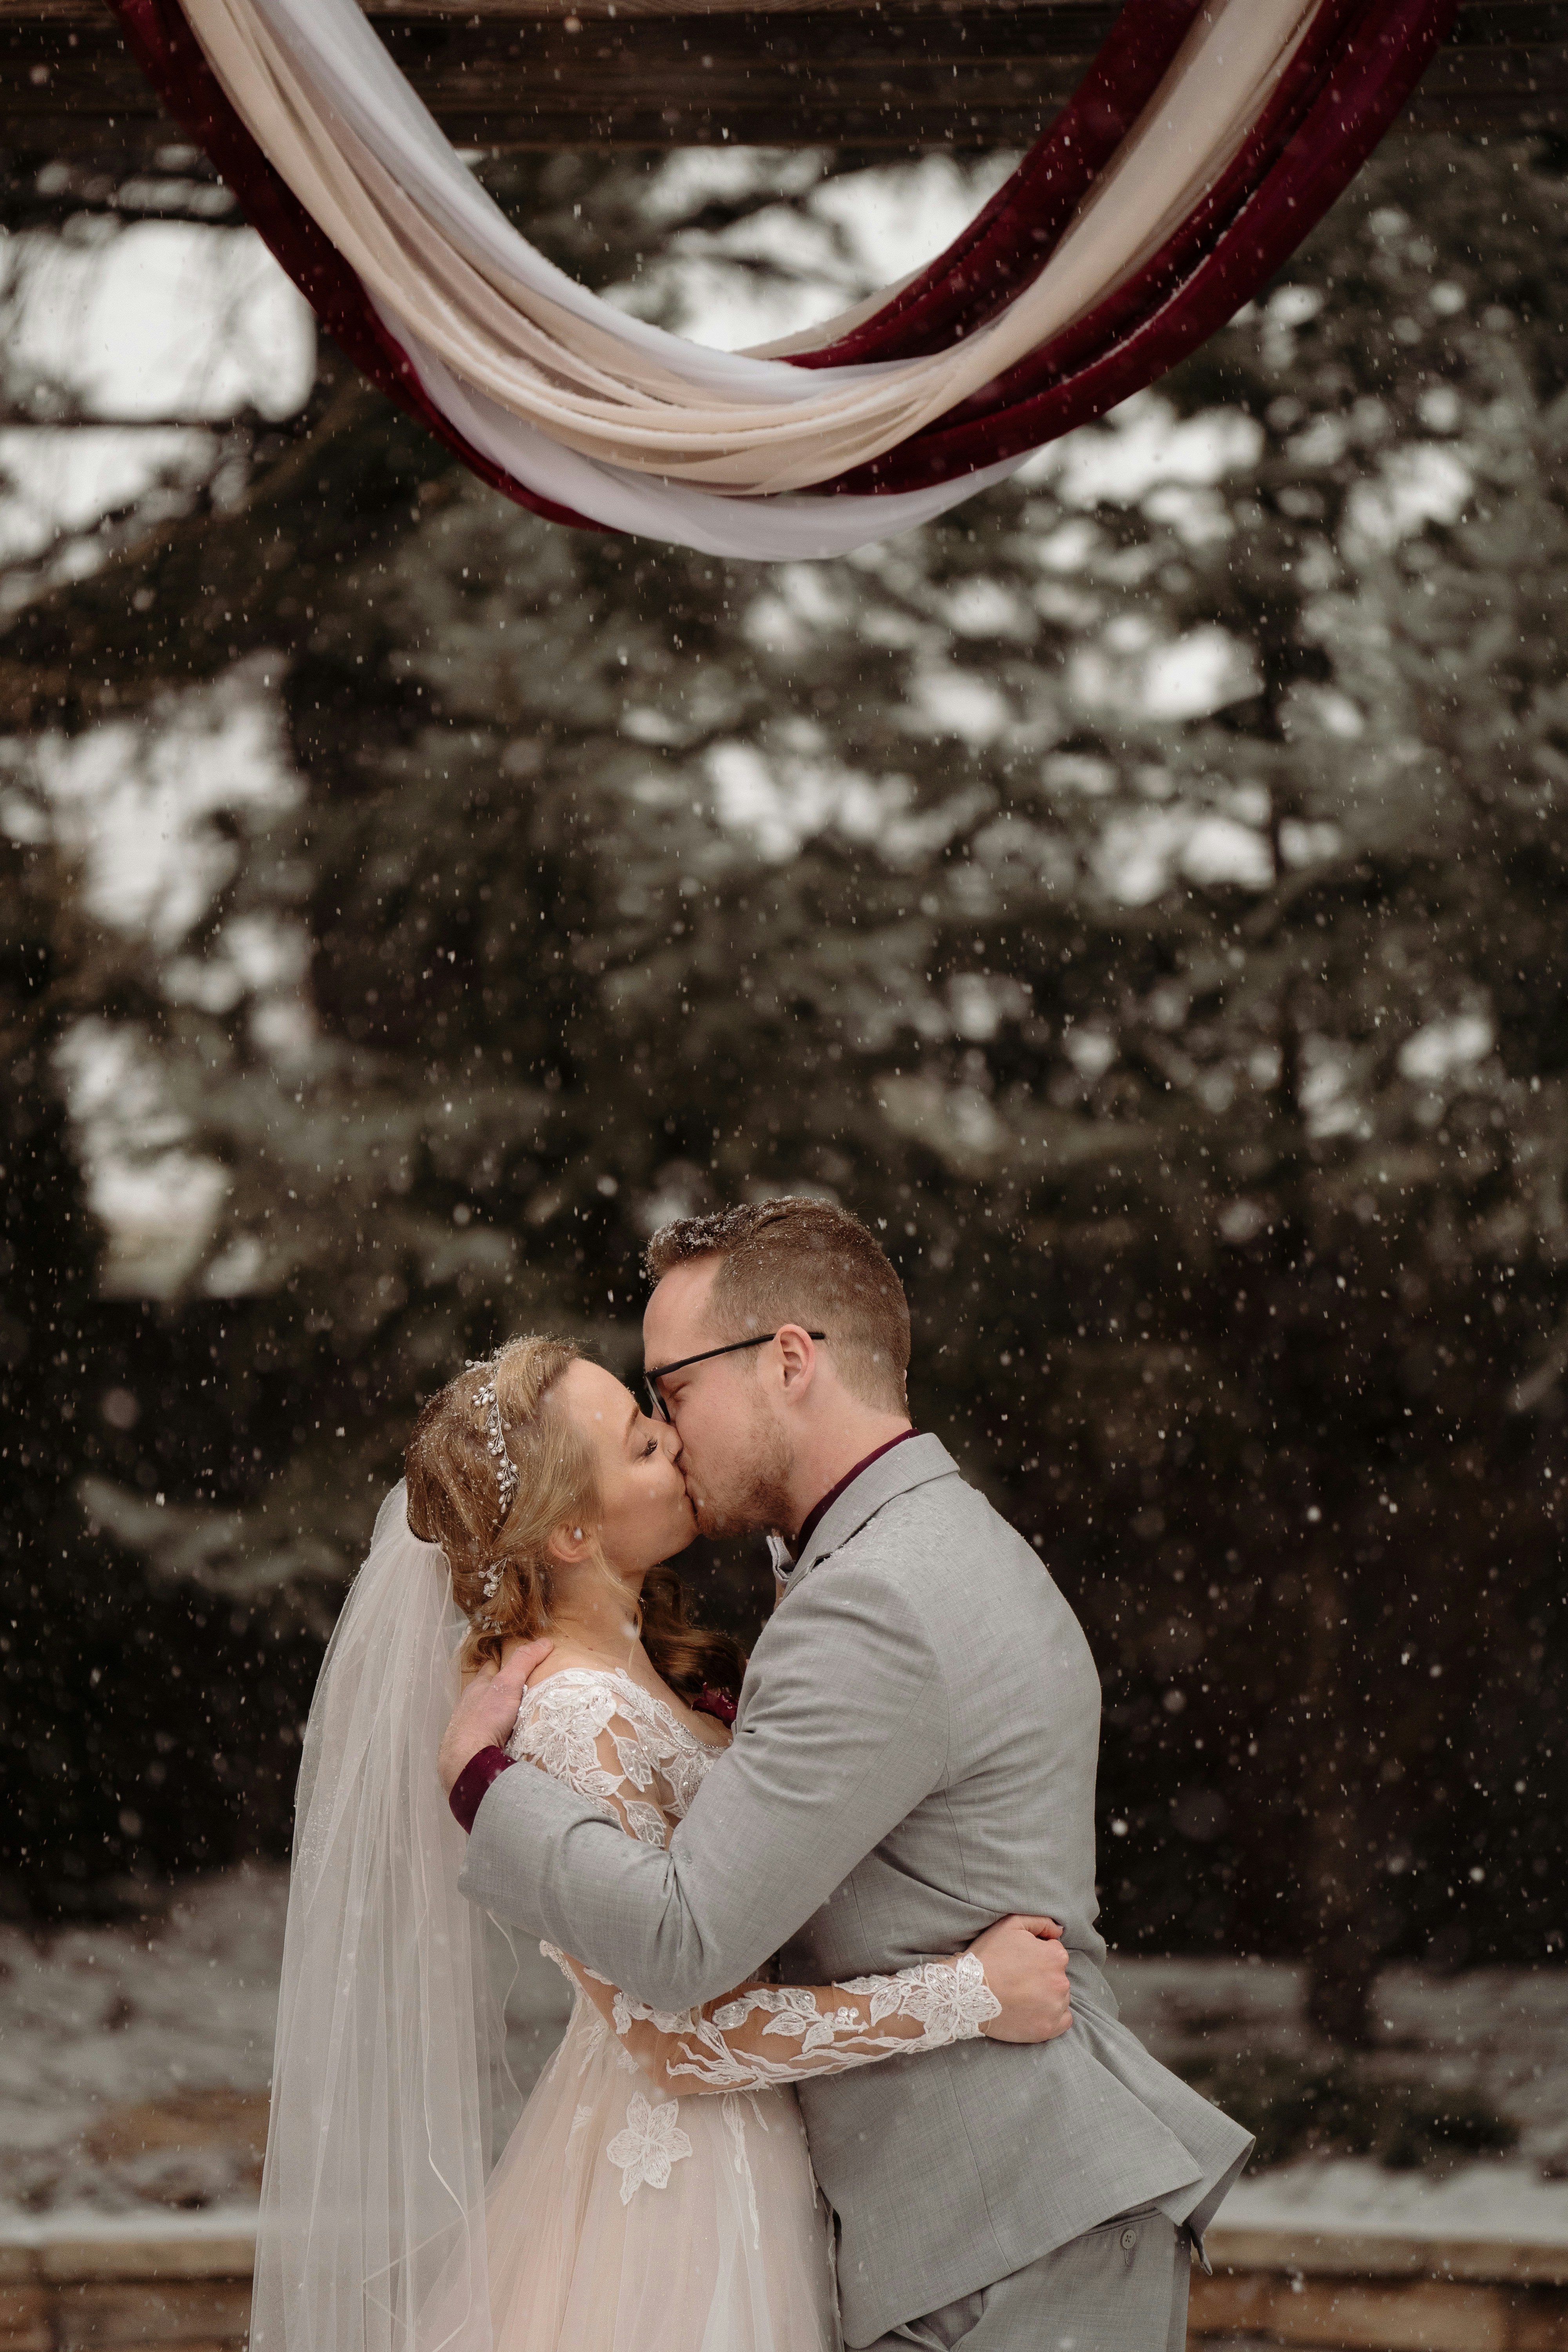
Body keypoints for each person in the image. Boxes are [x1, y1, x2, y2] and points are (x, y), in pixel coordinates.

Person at [443, 1198, 1254, 2352]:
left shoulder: (874, 1597)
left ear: (787, 1361)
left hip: (1007, 2235)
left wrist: (485, 1789)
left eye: (673, 1391)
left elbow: (684, 1944)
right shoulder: (927, 1543)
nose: (669, 1435)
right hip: (992, 2224)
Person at [250, 1336, 1073, 2352]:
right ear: (571, 1532)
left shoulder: (644, 1674)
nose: (678, 1445)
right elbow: (679, 2043)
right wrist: (968, 1995)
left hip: (749, 2155)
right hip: (680, 2196)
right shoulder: (568, 1717)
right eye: (643, 1444)